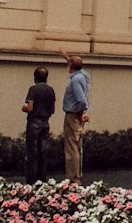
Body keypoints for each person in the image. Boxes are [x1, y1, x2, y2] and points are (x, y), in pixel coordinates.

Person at [22, 64, 56, 181]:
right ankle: (42, 177)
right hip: (46, 122)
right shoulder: (51, 90)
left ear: (35, 77)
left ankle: (32, 178)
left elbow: (30, 107)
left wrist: (24, 108)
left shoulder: (33, 89)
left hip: (34, 122)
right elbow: (53, 109)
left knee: (32, 151)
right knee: (43, 151)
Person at [61, 53, 90, 182]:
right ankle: (76, 176)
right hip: (76, 115)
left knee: (71, 147)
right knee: (77, 146)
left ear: (71, 66)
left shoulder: (75, 80)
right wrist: (66, 57)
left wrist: (82, 112)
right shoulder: (83, 75)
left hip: (73, 115)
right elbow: (77, 66)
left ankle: (73, 179)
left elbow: (81, 100)